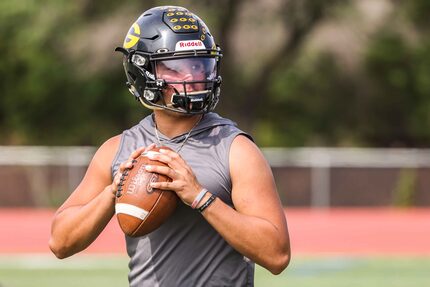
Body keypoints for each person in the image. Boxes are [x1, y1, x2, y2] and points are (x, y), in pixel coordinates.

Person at [49, 5, 290, 286]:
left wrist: (200, 197)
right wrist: (112, 193)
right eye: (178, 67)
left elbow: (277, 255)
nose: (193, 76)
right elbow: (60, 242)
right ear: (143, 71)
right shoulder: (117, 149)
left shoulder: (235, 148)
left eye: (200, 64)